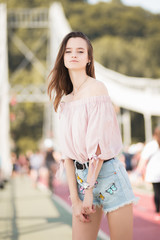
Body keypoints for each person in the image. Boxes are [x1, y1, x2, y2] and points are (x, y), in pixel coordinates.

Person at [48, 31, 137, 240]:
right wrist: (76, 199)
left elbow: (97, 148)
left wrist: (89, 192)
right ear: (62, 57)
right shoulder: (65, 101)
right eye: (68, 51)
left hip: (108, 177)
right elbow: (68, 155)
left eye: (80, 51)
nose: (74, 55)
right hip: (81, 181)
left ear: (89, 59)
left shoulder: (97, 89)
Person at [136, 126, 160, 221]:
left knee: (157, 192)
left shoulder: (151, 145)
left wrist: (138, 171)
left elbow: (143, 159)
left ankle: (158, 211)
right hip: (155, 173)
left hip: (154, 173)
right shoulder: (153, 145)